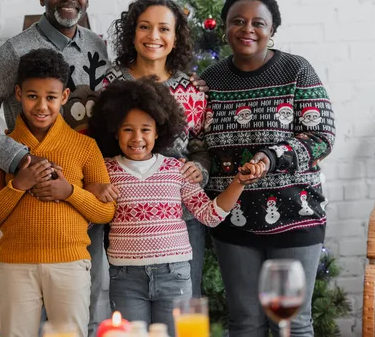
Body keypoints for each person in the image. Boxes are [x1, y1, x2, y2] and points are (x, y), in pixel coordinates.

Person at [0, 0, 110, 335]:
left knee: (85, 306)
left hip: (83, 190)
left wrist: (104, 175)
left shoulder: (99, 46)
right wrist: (18, 158)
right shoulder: (16, 51)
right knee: (27, 318)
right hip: (33, 198)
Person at [200, 0, 336, 336]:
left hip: (296, 214)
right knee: (245, 321)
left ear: (272, 29)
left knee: (292, 321)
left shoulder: (296, 70)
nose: (248, 29)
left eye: (258, 22)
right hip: (233, 220)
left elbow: (321, 136)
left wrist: (271, 157)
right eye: (237, 21)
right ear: (225, 28)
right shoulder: (209, 81)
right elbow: (197, 143)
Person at [87, 78, 262, 335]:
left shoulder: (176, 169)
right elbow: (85, 203)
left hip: (175, 275)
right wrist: (94, 188)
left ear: (158, 131)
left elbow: (209, 215)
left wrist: (238, 183)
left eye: (145, 129)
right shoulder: (104, 169)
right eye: (128, 130)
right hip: (125, 278)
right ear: (115, 131)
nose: (137, 138)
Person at [0, 48, 116, 337]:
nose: (41, 106)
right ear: (17, 93)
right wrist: (19, 185)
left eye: (51, 97)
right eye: (32, 96)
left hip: (70, 264)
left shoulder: (85, 147)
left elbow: (105, 211)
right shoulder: (1, 150)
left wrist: (69, 192)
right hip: (15, 266)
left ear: (64, 97)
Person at [101, 0, 210, 297]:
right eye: (144, 27)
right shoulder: (110, 85)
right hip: (127, 221)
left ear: (176, 38)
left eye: (164, 28)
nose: (154, 36)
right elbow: (97, 145)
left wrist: (199, 168)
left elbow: (201, 144)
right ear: (132, 34)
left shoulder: (192, 89)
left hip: (183, 221)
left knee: (183, 313)